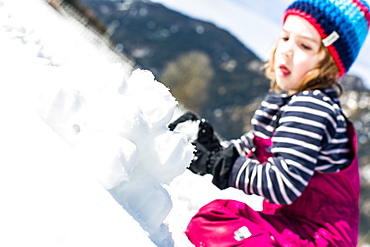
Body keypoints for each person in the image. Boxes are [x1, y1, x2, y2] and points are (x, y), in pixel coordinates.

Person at [169, 0, 370, 246]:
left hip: (318, 238)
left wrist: (221, 165)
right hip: (294, 227)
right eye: (285, 38)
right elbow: (257, 142)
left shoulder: (312, 108)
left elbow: (284, 183)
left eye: (305, 45)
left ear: (330, 68)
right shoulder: (289, 101)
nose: (287, 50)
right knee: (224, 218)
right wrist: (217, 150)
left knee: (217, 223)